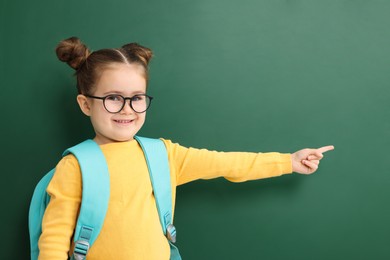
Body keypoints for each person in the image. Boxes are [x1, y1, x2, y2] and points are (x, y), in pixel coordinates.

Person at [38, 36, 334, 259]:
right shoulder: (76, 165)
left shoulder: (163, 155)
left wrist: (288, 161)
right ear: (86, 104)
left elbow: (227, 164)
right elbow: (53, 241)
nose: (128, 109)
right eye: (114, 97)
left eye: (137, 97)